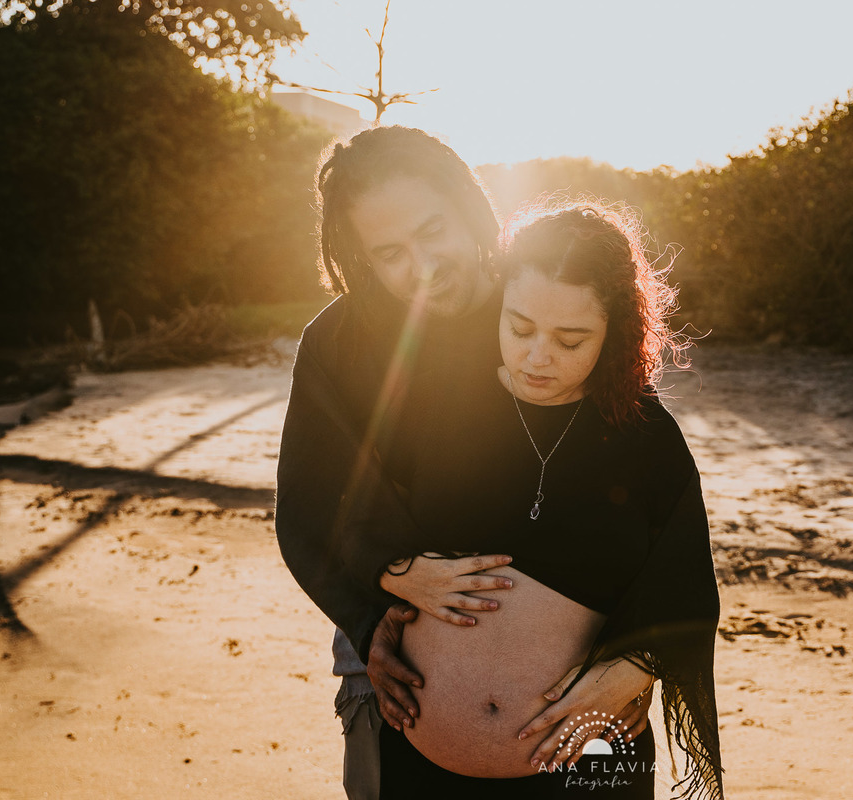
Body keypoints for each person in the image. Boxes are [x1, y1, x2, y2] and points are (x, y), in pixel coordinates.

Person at [274, 127, 656, 799]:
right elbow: (310, 508)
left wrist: (640, 652)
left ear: (467, 205)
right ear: (359, 256)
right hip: (396, 674)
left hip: (582, 678)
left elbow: (647, 497)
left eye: (433, 232)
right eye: (389, 253)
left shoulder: (545, 305)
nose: (421, 265)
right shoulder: (336, 346)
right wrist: (383, 597)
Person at [364, 204, 723, 799]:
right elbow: (364, 527)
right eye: (519, 326)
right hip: (421, 755)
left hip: (597, 752)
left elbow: (683, 587)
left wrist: (628, 675)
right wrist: (376, 614)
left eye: (570, 339)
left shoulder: (645, 435)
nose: (537, 356)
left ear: (616, 332)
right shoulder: (439, 408)